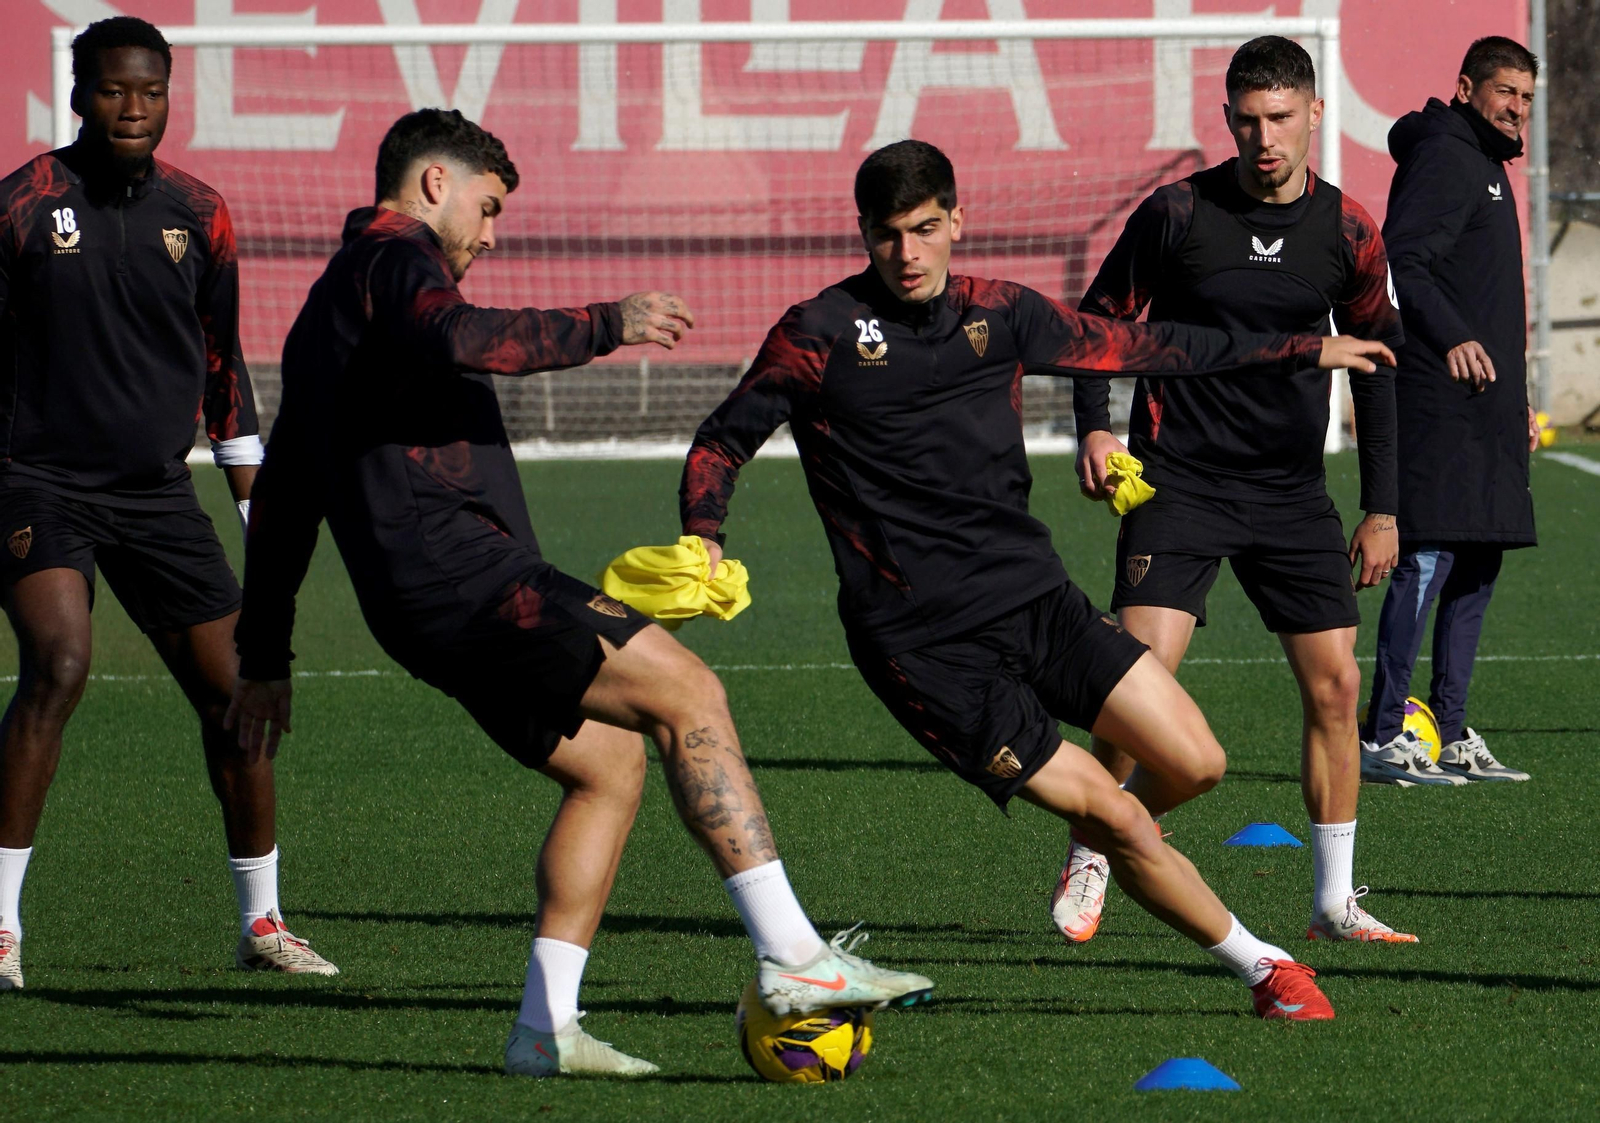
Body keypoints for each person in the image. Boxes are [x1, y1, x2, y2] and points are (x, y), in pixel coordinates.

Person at [226, 107, 932, 1079]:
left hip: (419, 606)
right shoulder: (396, 263)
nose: (490, 232)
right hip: (465, 577)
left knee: (608, 766)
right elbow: (465, 337)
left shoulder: (324, 314)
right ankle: (796, 957)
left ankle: (542, 1029)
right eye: (488, 207)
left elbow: (292, 492)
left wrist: (264, 658)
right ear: (436, 185)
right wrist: (612, 322)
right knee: (691, 694)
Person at [681, 139, 1397, 1020]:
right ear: (862, 234)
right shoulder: (818, 334)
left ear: (957, 221)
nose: (907, 254)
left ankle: (1098, 840)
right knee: (1127, 817)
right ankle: (1266, 969)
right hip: (926, 644)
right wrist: (703, 533)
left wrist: (1300, 351)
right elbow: (721, 439)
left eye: (925, 229)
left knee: (1199, 761)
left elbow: (1146, 343)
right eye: (886, 235)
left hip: (1035, 600)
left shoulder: (1002, 314)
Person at [0, 16, 336, 993]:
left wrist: (257, 518)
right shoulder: (20, 207)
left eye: (151, 91)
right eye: (111, 90)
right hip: (36, 483)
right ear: (77, 95)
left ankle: (263, 922)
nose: (132, 107)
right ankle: (4, 926)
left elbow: (226, 373)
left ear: (169, 96)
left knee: (239, 704)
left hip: (156, 493)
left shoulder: (202, 213)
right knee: (58, 664)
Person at [1062, 36, 1417, 946]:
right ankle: (1093, 845)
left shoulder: (1348, 231)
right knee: (1136, 678)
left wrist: (1383, 506)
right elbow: (1099, 325)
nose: (1266, 138)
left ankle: (1334, 900)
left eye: (1282, 119)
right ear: (1227, 120)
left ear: (1314, 117)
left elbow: (1380, 370)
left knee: (1337, 687)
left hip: (1292, 491)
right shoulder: (1178, 213)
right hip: (1178, 480)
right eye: (1249, 120)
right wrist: (1096, 426)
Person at [1358, 36, 1538, 784]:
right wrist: (1453, 338)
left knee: (1481, 558)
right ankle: (1383, 733)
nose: (1517, 108)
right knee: (1426, 558)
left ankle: (1452, 727)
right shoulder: (1444, 153)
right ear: (1466, 89)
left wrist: (1516, 397)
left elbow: (1487, 294)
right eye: (1504, 92)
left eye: (1527, 97)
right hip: (1438, 395)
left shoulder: (1487, 164)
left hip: (1488, 402)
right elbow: (1404, 258)